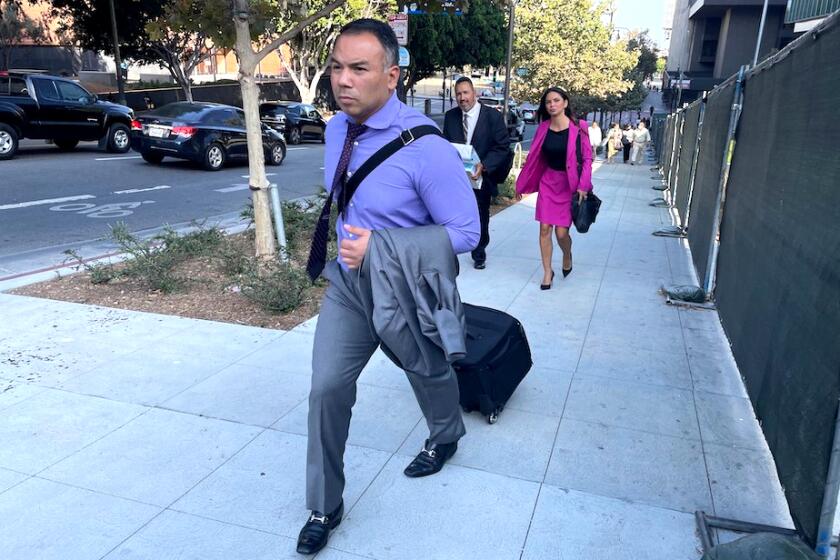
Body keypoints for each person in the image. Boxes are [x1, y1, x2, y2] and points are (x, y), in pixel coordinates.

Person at [295, 19, 480, 556]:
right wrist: (360, 252)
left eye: (359, 69)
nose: (342, 80)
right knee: (326, 387)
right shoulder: (335, 130)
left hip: (405, 289)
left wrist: (380, 247)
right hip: (351, 285)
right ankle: (325, 503)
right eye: (336, 67)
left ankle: (445, 435)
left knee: (428, 371)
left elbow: (466, 232)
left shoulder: (428, 149)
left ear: (392, 76)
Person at [514, 86, 593, 289]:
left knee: (561, 234)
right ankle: (548, 272)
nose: (552, 105)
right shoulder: (543, 128)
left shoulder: (580, 127)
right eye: (548, 102)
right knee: (544, 229)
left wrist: (583, 185)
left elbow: (587, 159)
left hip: (569, 185)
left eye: (556, 100)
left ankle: (567, 254)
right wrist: (521, 183)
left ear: (565, 102)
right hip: (548, 182)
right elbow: (533, 159)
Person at [443, 77, 510, 269]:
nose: (462, 97)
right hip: (456, 178)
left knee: (480, 215)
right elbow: (445, 144)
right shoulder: (451, 117)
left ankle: (479, 253)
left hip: (481, 177)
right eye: (458, 94)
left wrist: (485, 165)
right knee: (454, 215)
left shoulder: (492, 117)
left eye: (465, 92)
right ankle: (454, 248)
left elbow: (502, 146)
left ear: (475, 93)